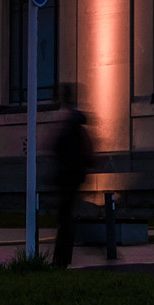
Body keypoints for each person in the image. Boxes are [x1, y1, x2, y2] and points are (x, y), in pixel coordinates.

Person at [50, 109, 94, 268]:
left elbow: (54, 148)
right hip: (73, 181)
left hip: (65, 181)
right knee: (67, 220)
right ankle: (63, 258)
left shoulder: (67, 132)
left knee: (64, 220)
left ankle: (60, 260)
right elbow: (89, 158)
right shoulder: (80, 133)